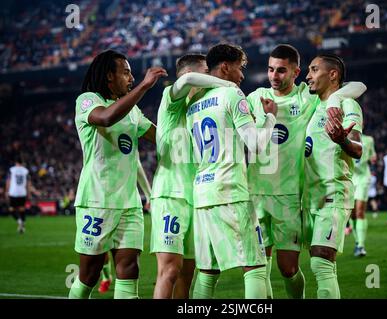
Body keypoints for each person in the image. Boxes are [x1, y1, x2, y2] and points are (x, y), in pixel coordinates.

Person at [246, 44, 367, 298]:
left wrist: (341, 134)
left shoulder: (313, 100)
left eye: (313, 70)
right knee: (260, 267)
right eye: (270, 70)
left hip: (318, 196)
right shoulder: (260, 98)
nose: (274, 76)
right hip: (300, 198)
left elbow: (358, 88)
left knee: (316, 263)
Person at [68, 49, 167, 299]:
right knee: (89, 274)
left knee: (129, 268)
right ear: (109, 76)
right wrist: (144, 86)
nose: (131, 78)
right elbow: (106, 117)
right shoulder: (88, 100)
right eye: (126, 73)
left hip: (129, 203)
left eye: (133, 74)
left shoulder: (132, 111)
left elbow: (161, 138)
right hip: (97, 201)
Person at [186, 43, 277, 299]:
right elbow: (256, 145)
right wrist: (270, 118)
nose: (242, 75)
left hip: (202, 193)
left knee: (207, 272)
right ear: (225, 67)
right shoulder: (232, 94)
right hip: (230, 191)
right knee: (256, 266)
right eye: (240, 68)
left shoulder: (193, 103)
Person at [150, 53, 238, 299]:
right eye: (205, 73)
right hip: (171, 195)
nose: (208, 77)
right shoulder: (171, 101)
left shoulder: (201, 109)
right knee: (168, 270)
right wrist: (228, 84)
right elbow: (186, 81)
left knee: (186, 277)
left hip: (197, 197)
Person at [303, 53, 363, 299]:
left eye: (314, 69)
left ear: (333, 75)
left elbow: (357, 148)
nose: (308, 75)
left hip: (334, 194)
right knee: (319, 264)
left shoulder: (348, 106)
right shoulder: (313, 106)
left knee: (321, 262)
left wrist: (342, 139)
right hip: (310, 197)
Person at [98, 155, 152, 294]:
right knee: (100, 249)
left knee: (126, 257)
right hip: (100, 199)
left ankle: (119, 287)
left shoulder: (129, 136)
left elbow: (136, 161)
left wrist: (148, 193)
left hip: (125, 201)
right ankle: (106, 277)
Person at [350, 133, 377, 257]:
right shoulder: (343, 138)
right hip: (349, 178)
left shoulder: (368, 139)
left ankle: (361, 245)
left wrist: (372, 158)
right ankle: (357, 242)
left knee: (360, 211)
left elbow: (373, 156)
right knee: (352, 213)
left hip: (363, 178)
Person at [5, 158, 31, 234]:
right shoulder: (26, 171)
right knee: (22, 209)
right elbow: (28, 183)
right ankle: (23, 225)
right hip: (22, 192)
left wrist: (7, 191)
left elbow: (8, 181)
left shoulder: (11, 170)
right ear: (22, 163)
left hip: (13, 192)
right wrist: (28, 193)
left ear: (16, 162)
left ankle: (19, 221)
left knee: (11, 209)